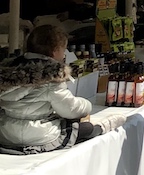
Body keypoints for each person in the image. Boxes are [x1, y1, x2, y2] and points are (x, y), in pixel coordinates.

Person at [0, 24, 125, 155]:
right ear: (55, 51)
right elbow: (70, 109)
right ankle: (102, 127)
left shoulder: (8, 71)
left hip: (6, 134)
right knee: (82, 128)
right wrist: (86, 105)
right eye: (63, 50)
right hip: (38, 137)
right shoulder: (50, 76)